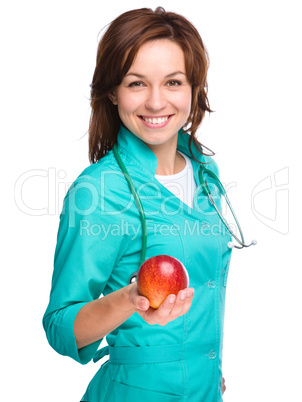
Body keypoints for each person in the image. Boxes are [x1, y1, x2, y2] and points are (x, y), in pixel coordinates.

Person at [43, 7, 231, 401]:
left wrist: (203, 365)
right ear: (112, 91)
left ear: (194, 88)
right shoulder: (99, 192)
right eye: (136, 83)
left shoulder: (205, 172)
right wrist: (131, 299)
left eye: (173, 82)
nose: (157, 101)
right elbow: (61, 326)